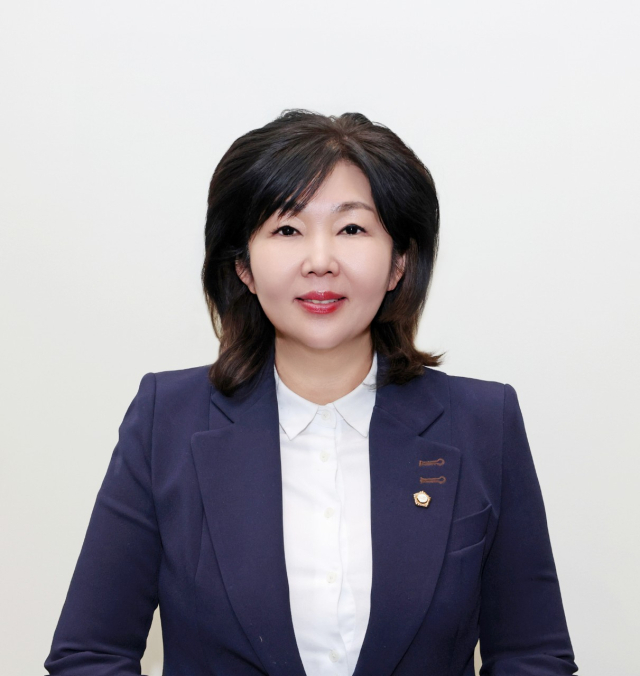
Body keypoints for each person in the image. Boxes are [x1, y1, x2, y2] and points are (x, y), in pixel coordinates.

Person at [44, 109, 579, 676]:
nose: (320, 262)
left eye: (352, 229)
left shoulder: (483, 424)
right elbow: (90, 654)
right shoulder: (166, 422)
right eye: (287, 230)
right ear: (243, 266)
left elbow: (532, 654)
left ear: (399, 261)